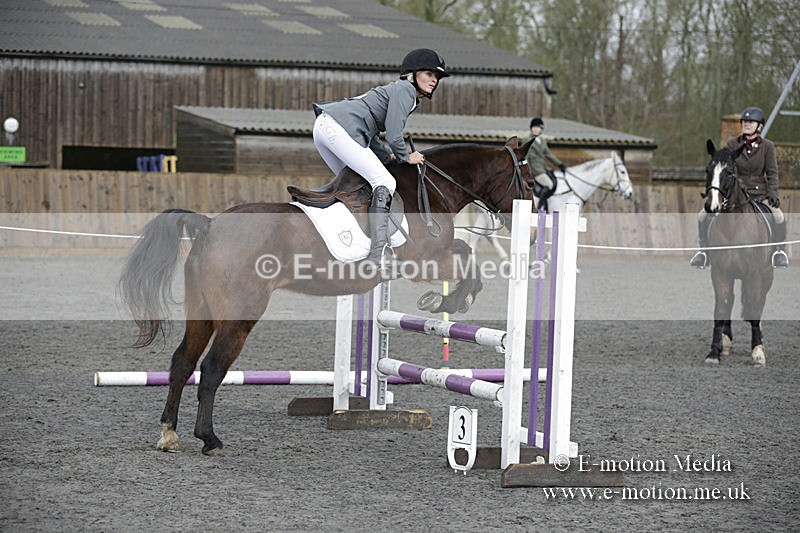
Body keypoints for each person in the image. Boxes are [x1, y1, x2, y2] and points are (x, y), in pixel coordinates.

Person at [312, 48, 449, 267]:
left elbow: (374, 134)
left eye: (437, 77)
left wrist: (387, 156)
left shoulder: (397, 90)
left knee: (356, 185)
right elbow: (394, 135)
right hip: (340, 127)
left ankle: (346, 240)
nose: (434, 80)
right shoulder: (405, 90)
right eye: (429, 74)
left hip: (325, 126)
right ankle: (379, 253)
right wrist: (406, 156)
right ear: (412, 74)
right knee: (385, 181)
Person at [690, 106, 788, 268]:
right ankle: (704, 251)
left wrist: (773, 193)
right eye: (744, 122)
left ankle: (779, 251)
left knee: (778, 216)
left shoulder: (768, 147)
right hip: (735, 193)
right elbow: (723, 168)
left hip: (759, 194)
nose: (746, 125)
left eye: (750, 122)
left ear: (760, 127)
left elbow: (772, 173)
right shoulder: (732, 143)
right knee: (702, 215)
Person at [526, 117, 566, 210]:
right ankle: (539, 207)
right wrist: (526, 171)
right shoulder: (527, 140)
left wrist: (560, 164)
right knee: (549, 185)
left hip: (543, 168)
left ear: (541, 129)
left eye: (538, 127)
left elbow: (549, 154)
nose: (536, 129)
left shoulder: (542, 141)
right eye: (534, 127)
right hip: (535, 170)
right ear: (531, 128)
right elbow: (525, 157)